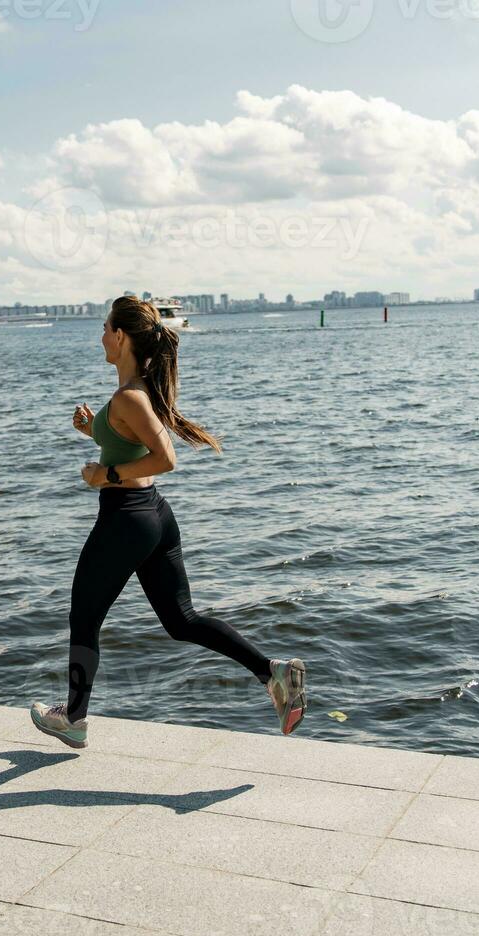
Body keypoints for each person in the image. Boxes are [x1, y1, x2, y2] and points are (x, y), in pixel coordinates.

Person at [30, 296, 307, 749]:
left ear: (120, 337)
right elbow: (134, 442)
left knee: (84, 617)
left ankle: (74, 719)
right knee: (182, 620)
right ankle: (274, 673)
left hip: (126, 520)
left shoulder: (131, 396)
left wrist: (104, 475)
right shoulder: (134, 393)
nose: (100, 336)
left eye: (104, 328)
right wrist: (93, 431)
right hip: (153, 516)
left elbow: (166, 458)